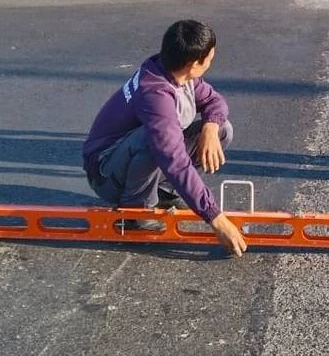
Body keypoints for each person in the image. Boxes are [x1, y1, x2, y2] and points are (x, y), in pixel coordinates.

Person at [83, 20, 249, 257]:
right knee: (154, 141)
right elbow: (174, 160)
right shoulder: (155, 94)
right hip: (105, 171)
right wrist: (215, 218)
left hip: (133, 160)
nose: (211, 62)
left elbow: (215, 102)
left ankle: (164, 194)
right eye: (210, 58)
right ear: (194, 64)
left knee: (223, 130)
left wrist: (211, 127)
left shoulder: (178, 72)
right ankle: (134, 213)